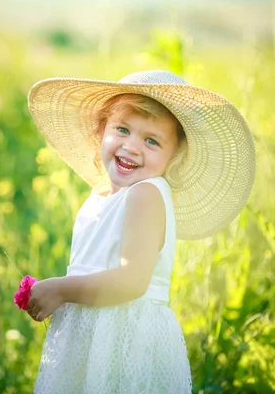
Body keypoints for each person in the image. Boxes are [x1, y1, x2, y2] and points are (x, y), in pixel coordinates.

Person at [25, 70, 256, 393]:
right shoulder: (102, 195)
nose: (132, 147)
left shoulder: (146, 194)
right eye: (122, 130)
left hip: (125, 341)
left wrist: (62, 290)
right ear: (100, 131)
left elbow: (132, 281)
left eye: (152, 141)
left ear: (174, 156)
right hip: (92, 338)